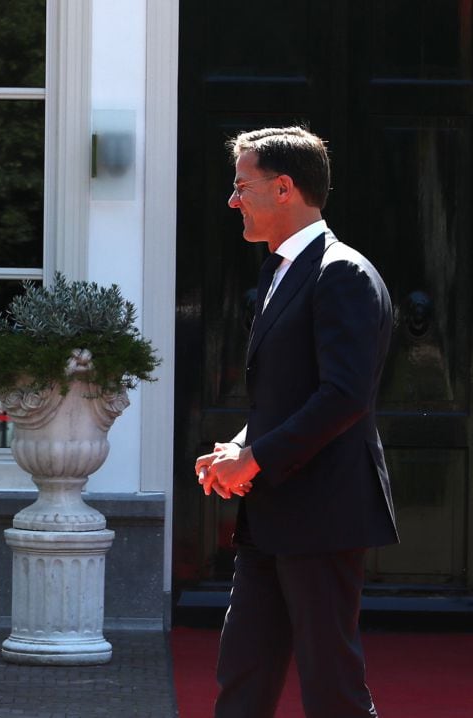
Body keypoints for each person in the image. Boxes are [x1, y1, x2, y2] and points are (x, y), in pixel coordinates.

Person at [194, 126, 398, 718]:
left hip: (325, 514)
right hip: (272, 515)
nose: (232, 200)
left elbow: (344, 396)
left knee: (331, 687)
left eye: (241, 186)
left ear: (284, 188)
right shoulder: (277, 271)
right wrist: (238, 446)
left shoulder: (344, 273)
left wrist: (254, 458)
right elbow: (287, 394)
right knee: (243, 674)